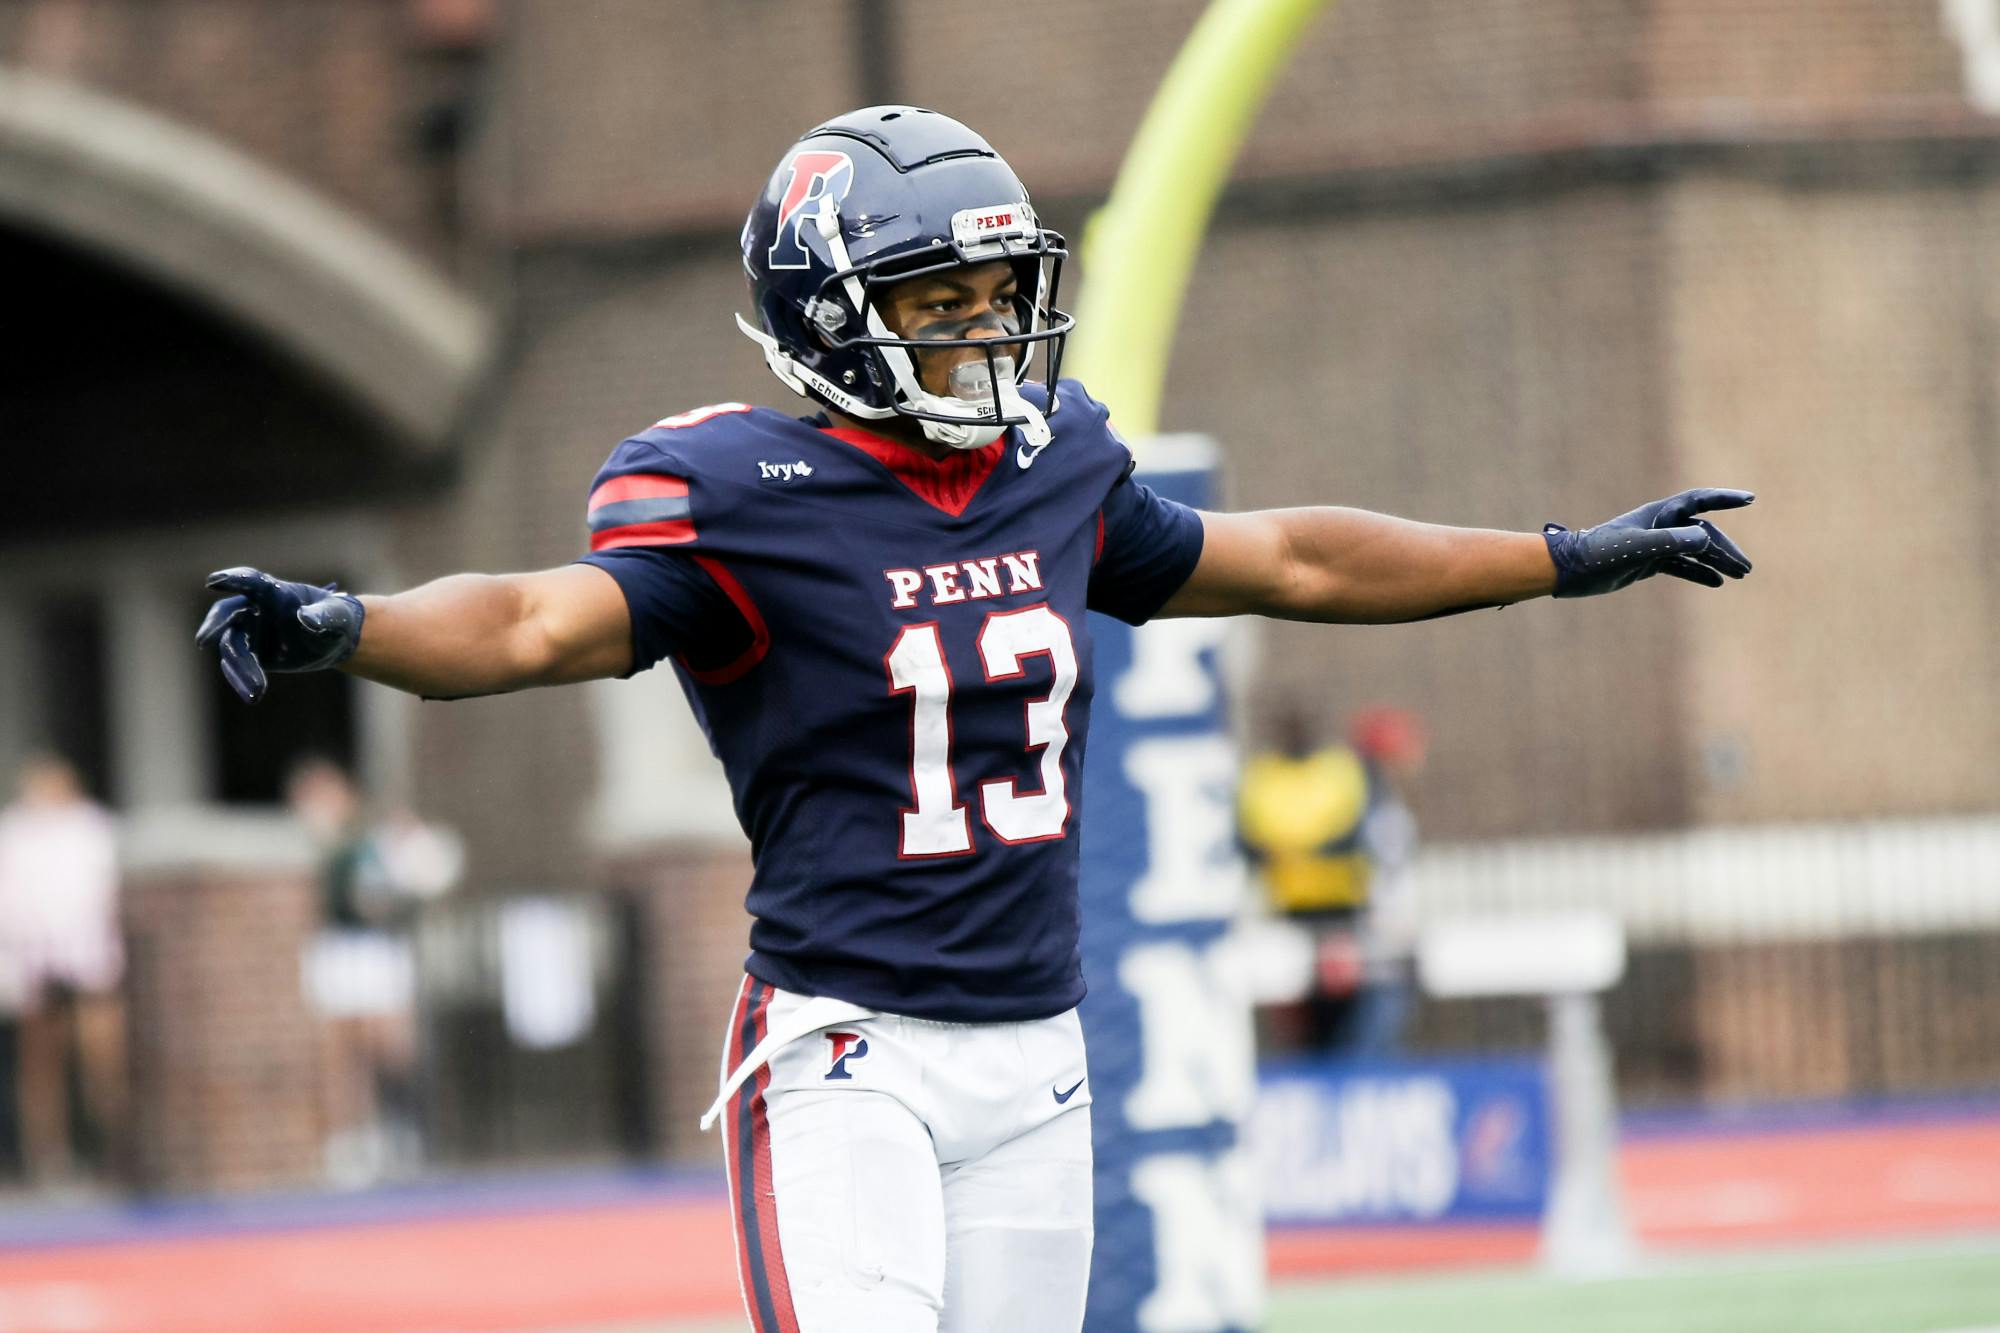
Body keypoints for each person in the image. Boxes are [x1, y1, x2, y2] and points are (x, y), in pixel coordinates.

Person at [195, 107, 1754, 1332]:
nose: (983, 333)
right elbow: (537, 619)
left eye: (999, 296)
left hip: (1040, 1058)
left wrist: (1562, 557)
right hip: (848, 1052)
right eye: (936, 301)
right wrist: (356, 629)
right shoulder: (740, 493)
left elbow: (1290, 556)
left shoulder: (1054, 464)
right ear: (825, 319)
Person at [0, 754, 127, 1188]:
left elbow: (103, 897)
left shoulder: (91, 827)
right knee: (40, 1065)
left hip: (88, 962)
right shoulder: (14, 831)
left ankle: (112, 1149)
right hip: (34, 963)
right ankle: (48, 1159)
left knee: (101, 1056)